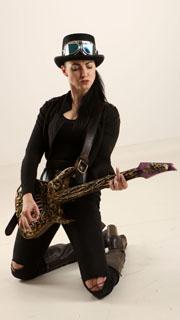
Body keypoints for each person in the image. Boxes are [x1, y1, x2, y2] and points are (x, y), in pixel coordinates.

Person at [11, 33, 128, 299]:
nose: (84, 72)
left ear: (95, 68)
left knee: (98, 285)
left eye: (89, 66)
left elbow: (101, 163)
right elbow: (31, 157)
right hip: (45, 198)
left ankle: (114, 246)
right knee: (20, 270)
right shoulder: (50, 109)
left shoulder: (107, 114)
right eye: (76, 67)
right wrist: (28, 195)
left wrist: (111, 178)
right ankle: (79, 248)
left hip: (82, 198)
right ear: (63, 70)